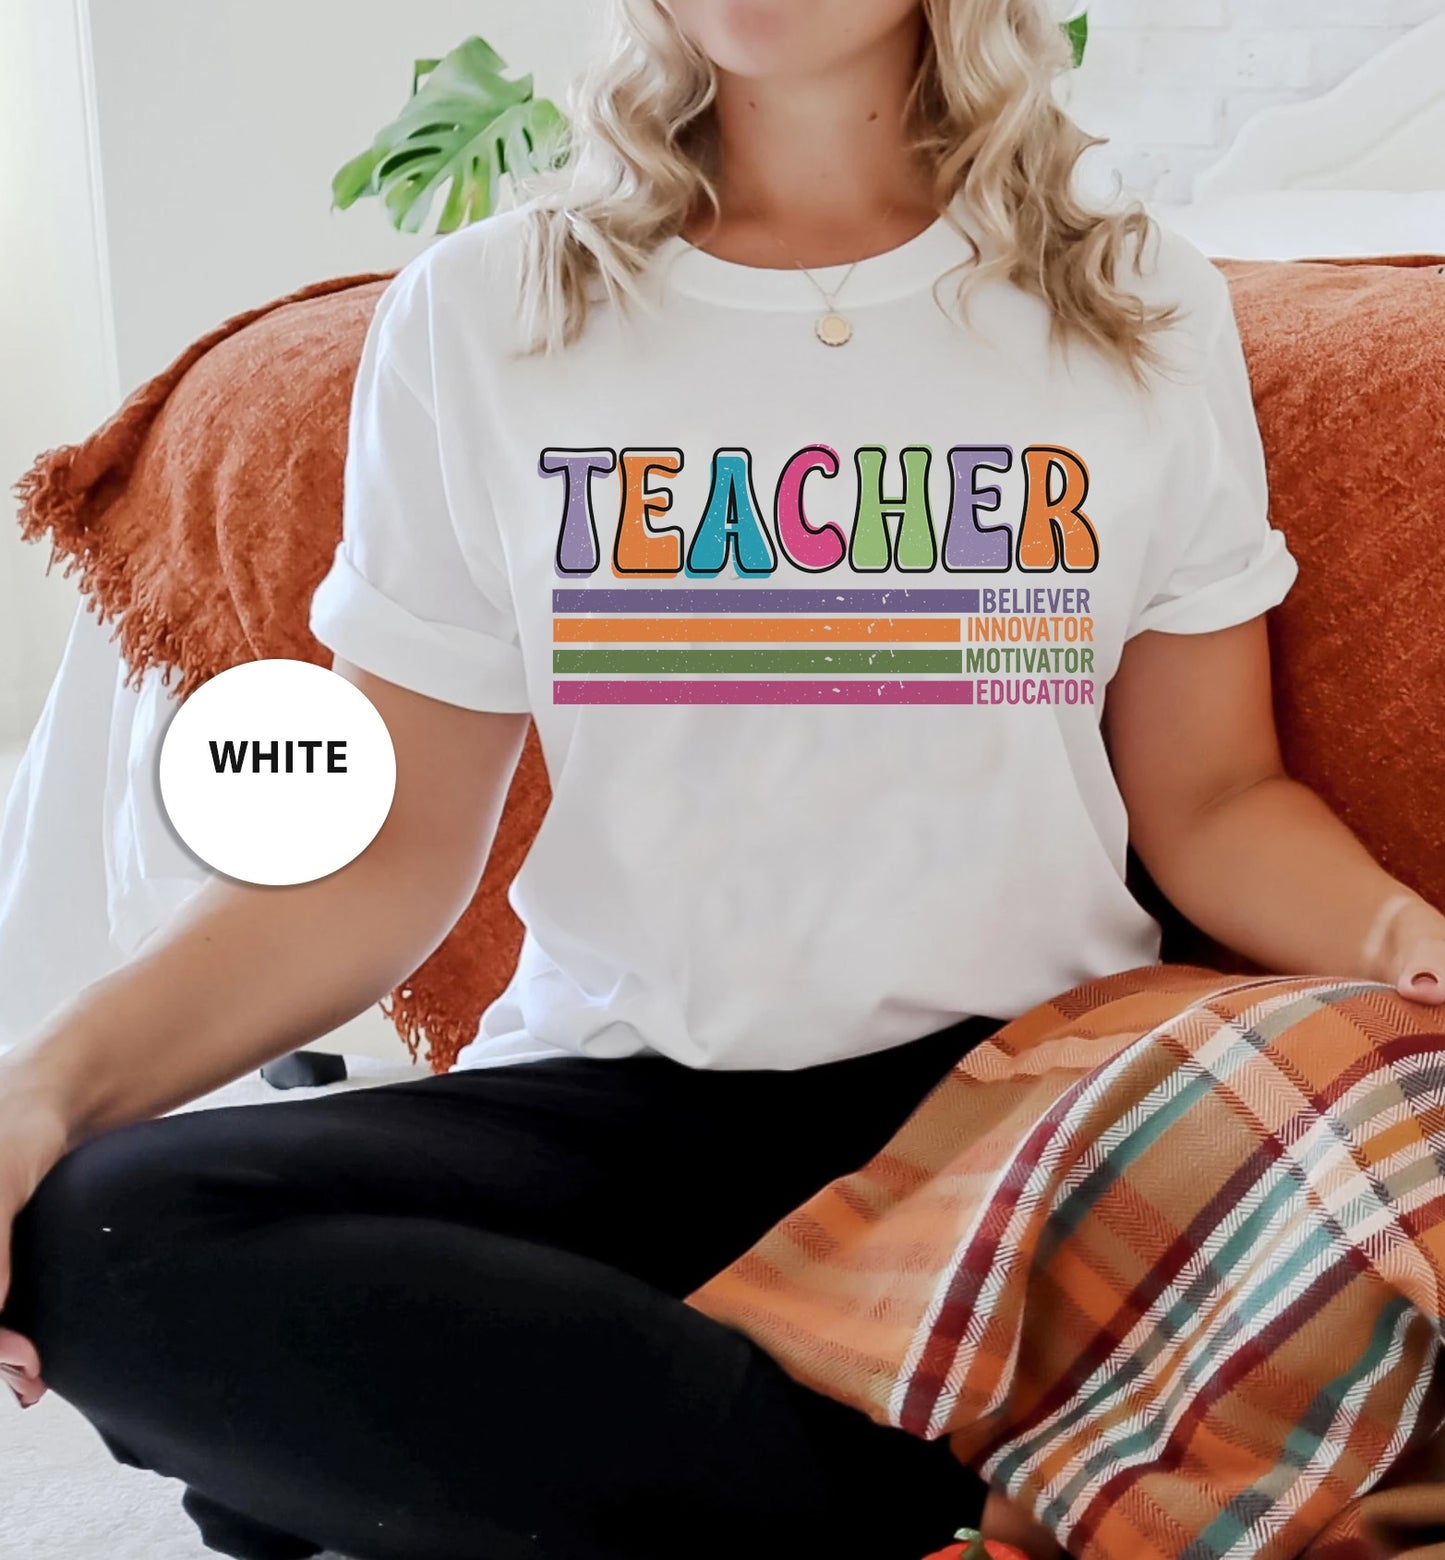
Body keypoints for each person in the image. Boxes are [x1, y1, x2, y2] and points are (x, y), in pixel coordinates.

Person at [3, 1, 1444, 1558]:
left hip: (1007, 1109)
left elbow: (1212, 802)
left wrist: (1399, 946)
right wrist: (36, 1094)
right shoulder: (487, 315)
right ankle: (922, 1492)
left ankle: (512, 1474)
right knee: (107, 1236)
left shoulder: (1128, 303)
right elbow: (389, 858)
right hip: (618, 1104)